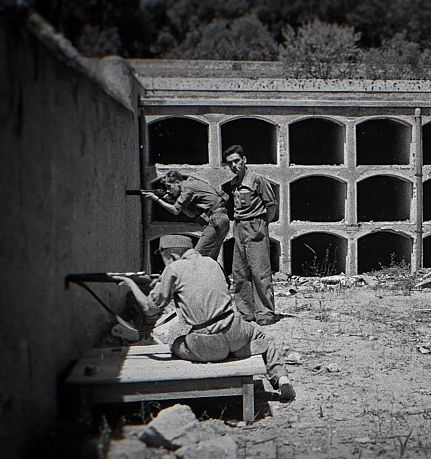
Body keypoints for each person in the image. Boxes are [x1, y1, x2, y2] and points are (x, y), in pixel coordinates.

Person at [114, 234, 295, 402]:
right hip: (235, 330)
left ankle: (220, 353)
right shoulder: (211, 262)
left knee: (176, 343)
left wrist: (131, 283)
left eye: (161, 254)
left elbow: (149, 308)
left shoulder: (173, 269)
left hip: (206, 342)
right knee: (261, 338)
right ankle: (282, 380)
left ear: (170, 253)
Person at [221, 145, 279, 326]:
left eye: (237, 161)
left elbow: (271, 205)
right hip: (239, 227)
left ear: (244, 160)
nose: (234, 166)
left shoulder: (257, 180)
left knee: (260, 271)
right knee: (239, 272)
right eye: (230, 163)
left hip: (256, 225)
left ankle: (265, 313)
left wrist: (262, 225)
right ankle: (246, 312)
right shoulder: (233, 184)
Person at [143, 171, 230, 259]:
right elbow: (191, 214)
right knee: (210, 259)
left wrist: (156, 199)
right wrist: (174, 201)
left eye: (169, 186)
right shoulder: (190, 185)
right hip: (220, 219)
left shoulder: (186, 188)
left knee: (197, 257)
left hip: (216, 220)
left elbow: (175, 210)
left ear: (177, 182)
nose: (168, 191)